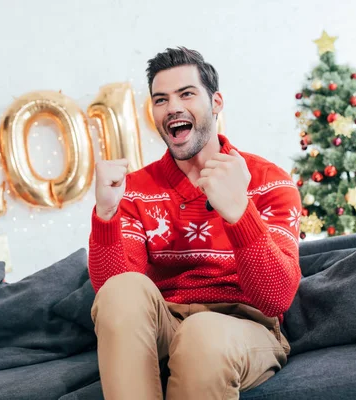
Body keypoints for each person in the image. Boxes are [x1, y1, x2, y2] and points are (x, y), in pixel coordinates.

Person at [88, 46, 302, 400]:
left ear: (216, 102)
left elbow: (276, 297)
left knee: (202, 333)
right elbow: (114, 298)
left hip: (245, 327)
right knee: (122, 290)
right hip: (166, 324)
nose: (172, 107)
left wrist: (239, 213)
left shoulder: (268, 181)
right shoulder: (135, 190)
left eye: (186, 94)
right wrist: (107, 215)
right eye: (161, 100)